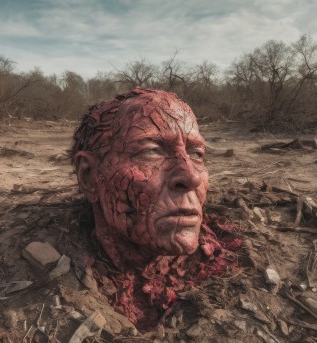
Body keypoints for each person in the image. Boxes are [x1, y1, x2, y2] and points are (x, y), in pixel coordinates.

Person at [71, 88, 241, 328]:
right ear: (89, 176)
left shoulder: (234, 269)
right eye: (151, 151)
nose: (190, 177)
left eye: (197, 154)